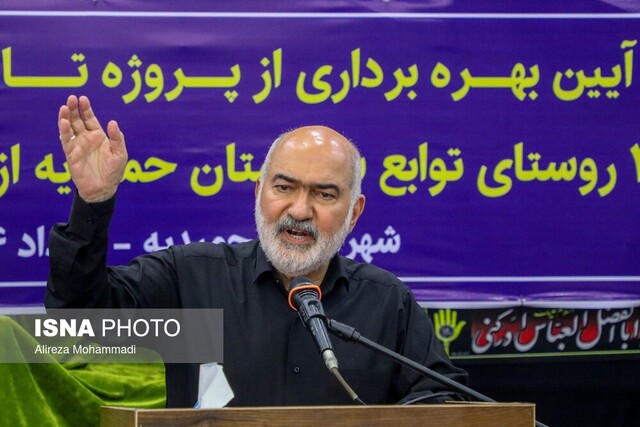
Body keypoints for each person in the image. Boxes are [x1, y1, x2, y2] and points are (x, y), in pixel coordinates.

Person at [46, 95, 468, 407]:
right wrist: (93, 202)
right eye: (284, 187)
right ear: (259, 193)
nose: (299, 210)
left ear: (354, 212)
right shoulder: (193, 278)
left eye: (324, 194)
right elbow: (80, 322)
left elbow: (444, 400)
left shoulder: (387, 302)